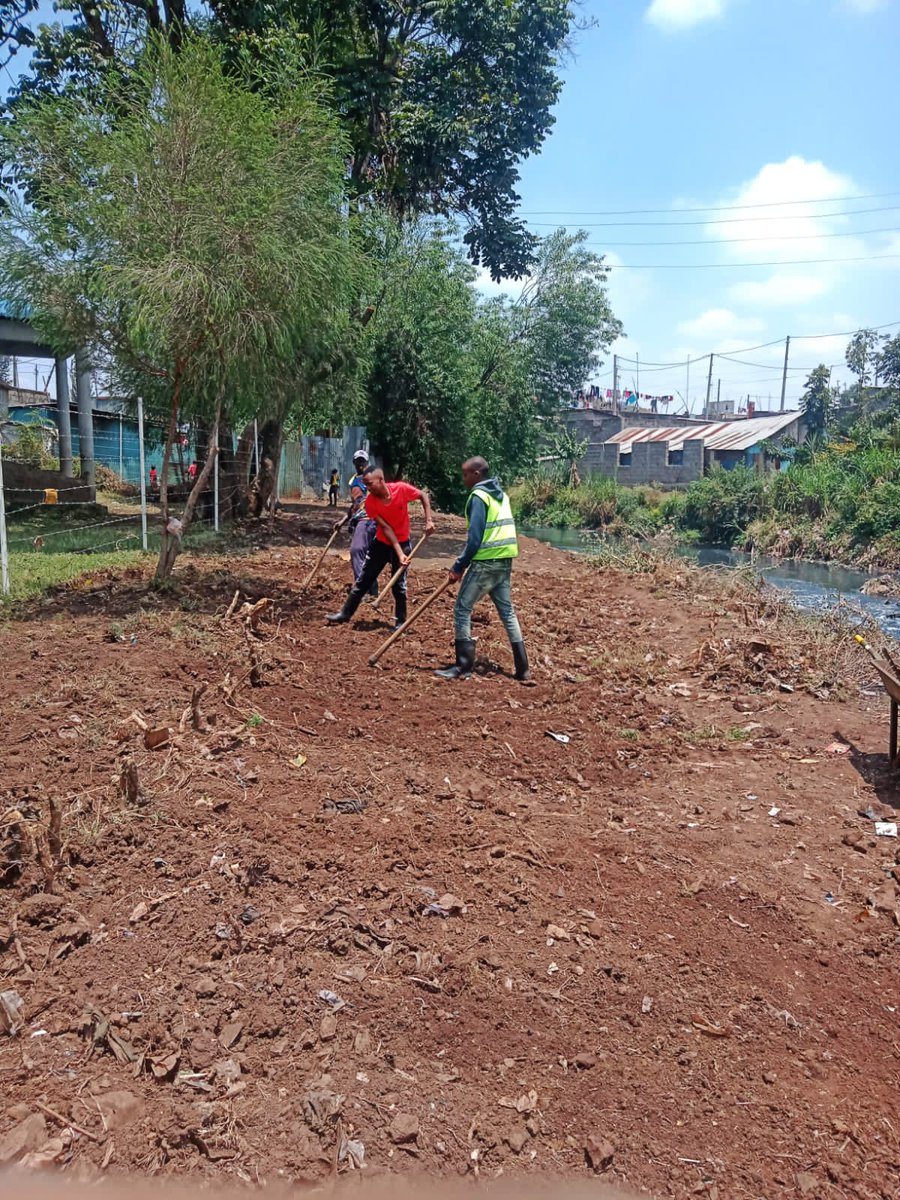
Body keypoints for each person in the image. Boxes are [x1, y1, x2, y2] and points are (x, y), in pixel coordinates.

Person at [436, 456, 530, 682]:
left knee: (461, 608)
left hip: (486, 562)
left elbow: (475, 539)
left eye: (466, 474)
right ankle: (523, 669)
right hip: (505, 561)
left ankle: (463, 667)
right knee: (507, 612)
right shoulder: (502, 496)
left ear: (477, 474)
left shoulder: (478, 497)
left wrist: (458, 566)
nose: (464, 479)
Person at [326, 467, 434, 628]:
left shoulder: (401, 489)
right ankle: (345, 614)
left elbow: (423, 495)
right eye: (366, 485)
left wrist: (429, 520)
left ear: (381, 480)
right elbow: (386, 529)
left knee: (399, 585)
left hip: (403, 542)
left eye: (370, 484)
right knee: (363, 580)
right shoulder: (370, 502)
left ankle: (400, 623)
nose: (368, 488)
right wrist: (399, 554)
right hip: (382, 543)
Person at [334, 450, 378, 597]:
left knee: (356, 551)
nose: (360, 464)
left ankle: (362, 590)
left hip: (367, 519)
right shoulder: (355, 480)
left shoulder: (368, 479)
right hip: (365, 519)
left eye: (362, 461)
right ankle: (372, 588)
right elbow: (355, 504)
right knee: (368, 555)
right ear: (354, 462)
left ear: (367, 462)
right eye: (358, 461)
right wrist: (343, 520)